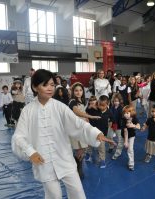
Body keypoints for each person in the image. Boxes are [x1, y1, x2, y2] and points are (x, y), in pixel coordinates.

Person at [11, 69, 114, 199]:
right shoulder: (28, 111)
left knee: (78, 193)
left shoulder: (60, 107)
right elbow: (19, 136)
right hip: (43, 162)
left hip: (64, 159)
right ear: (35, 87)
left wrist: (95, 133)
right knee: (54, 195)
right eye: (45, 85)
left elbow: (78, 124)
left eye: (52, 85)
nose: (50, 88)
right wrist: (30, 152)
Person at [68, 82, 101, 179]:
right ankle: (77, 169)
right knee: (79, 150)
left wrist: (87, 120)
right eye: (76, 90)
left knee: (82, 150)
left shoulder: (81, 101)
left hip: (82, 128)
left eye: (80, 90)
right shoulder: (72, 101)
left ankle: (78, 167)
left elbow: (82, 113)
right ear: (73, 92)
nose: (79, 92)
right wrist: (90, 116)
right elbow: (77, 112)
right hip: (75, 129)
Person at [86, 95, 114, 168]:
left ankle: (102, 160)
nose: (100, 107)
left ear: (107, 105)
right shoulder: (94, 109)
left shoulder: (109, 112)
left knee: (101, 147)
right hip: (92, 131)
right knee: (90, 144)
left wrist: (110, 122)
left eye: (103, 105)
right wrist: (90, 106)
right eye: (99, 104)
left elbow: (112, 118)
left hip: (102, 133)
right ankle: (88, 154)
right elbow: (87, 111)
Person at [112, 105, 140, 171]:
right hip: (123, 135)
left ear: (132, 113)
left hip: (132, 136)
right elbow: (125, 131)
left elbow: (139, 126)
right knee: (120, 145)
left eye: (127, 113)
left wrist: (133, 125)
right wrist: (126, 141)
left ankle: (131, 163)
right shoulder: (123, 119)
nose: (125, 114)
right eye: (124, 113)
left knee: (130, 149)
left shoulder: (134, 118)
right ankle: (117, 154)